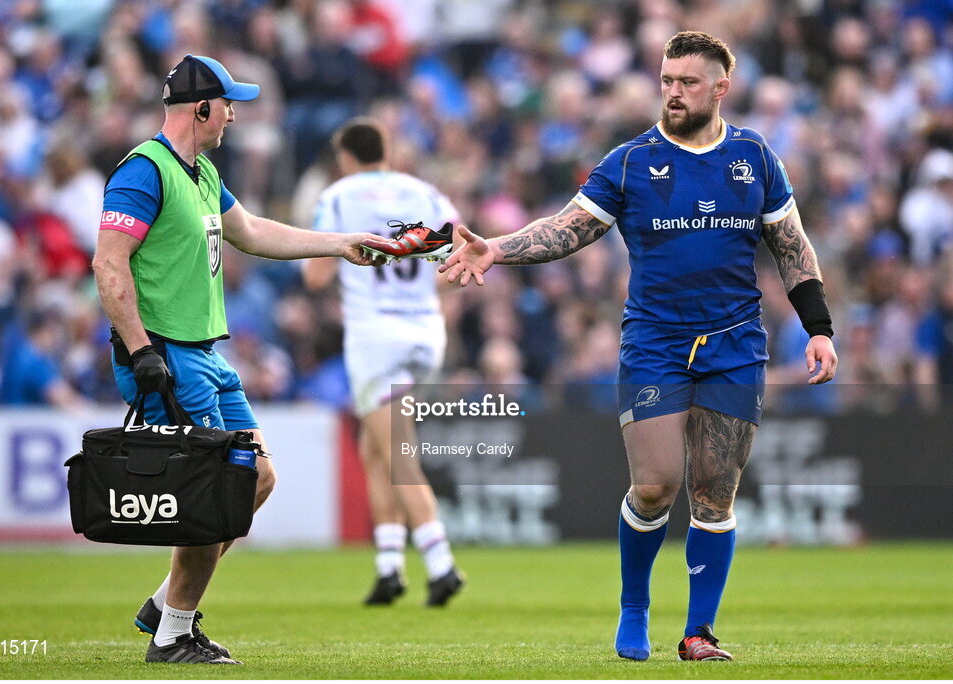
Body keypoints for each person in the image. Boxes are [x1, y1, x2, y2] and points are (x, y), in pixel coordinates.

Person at [434, 32, 838, 662]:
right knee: (655, 486)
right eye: (666, 80)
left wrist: (819, 328)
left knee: (715, 492)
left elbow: (793, 249)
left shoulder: (756, 157)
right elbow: (568, 229)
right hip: (655, 342)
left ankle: (699, 633)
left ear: (721, 88)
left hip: (735, 343)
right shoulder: (630, 161)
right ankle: (634, 608)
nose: (673, 92)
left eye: (688, 82)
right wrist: (499, 248)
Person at [92, 54, 378, 666]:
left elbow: (251, 231)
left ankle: (165, 605)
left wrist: (338, 244)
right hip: (167, 355)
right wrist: (141, 352)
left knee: (257, 480)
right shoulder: (144, 172)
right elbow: (108, 263)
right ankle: (173, 633)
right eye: (227, 104)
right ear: (201, 108)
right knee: (214, 491)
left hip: (205, 354)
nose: (233, 115)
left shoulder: (199, 172)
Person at [304, 117, 464, 606]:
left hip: (376, 337)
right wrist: (417, 284)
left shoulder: (337, 196)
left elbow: (315, 275)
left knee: (396, 450)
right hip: (424, 333)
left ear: (346, 156)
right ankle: (389, 566)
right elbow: (457, 257)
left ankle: (441, 563)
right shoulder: (424, 193)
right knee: (376, 446)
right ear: (386, 151)